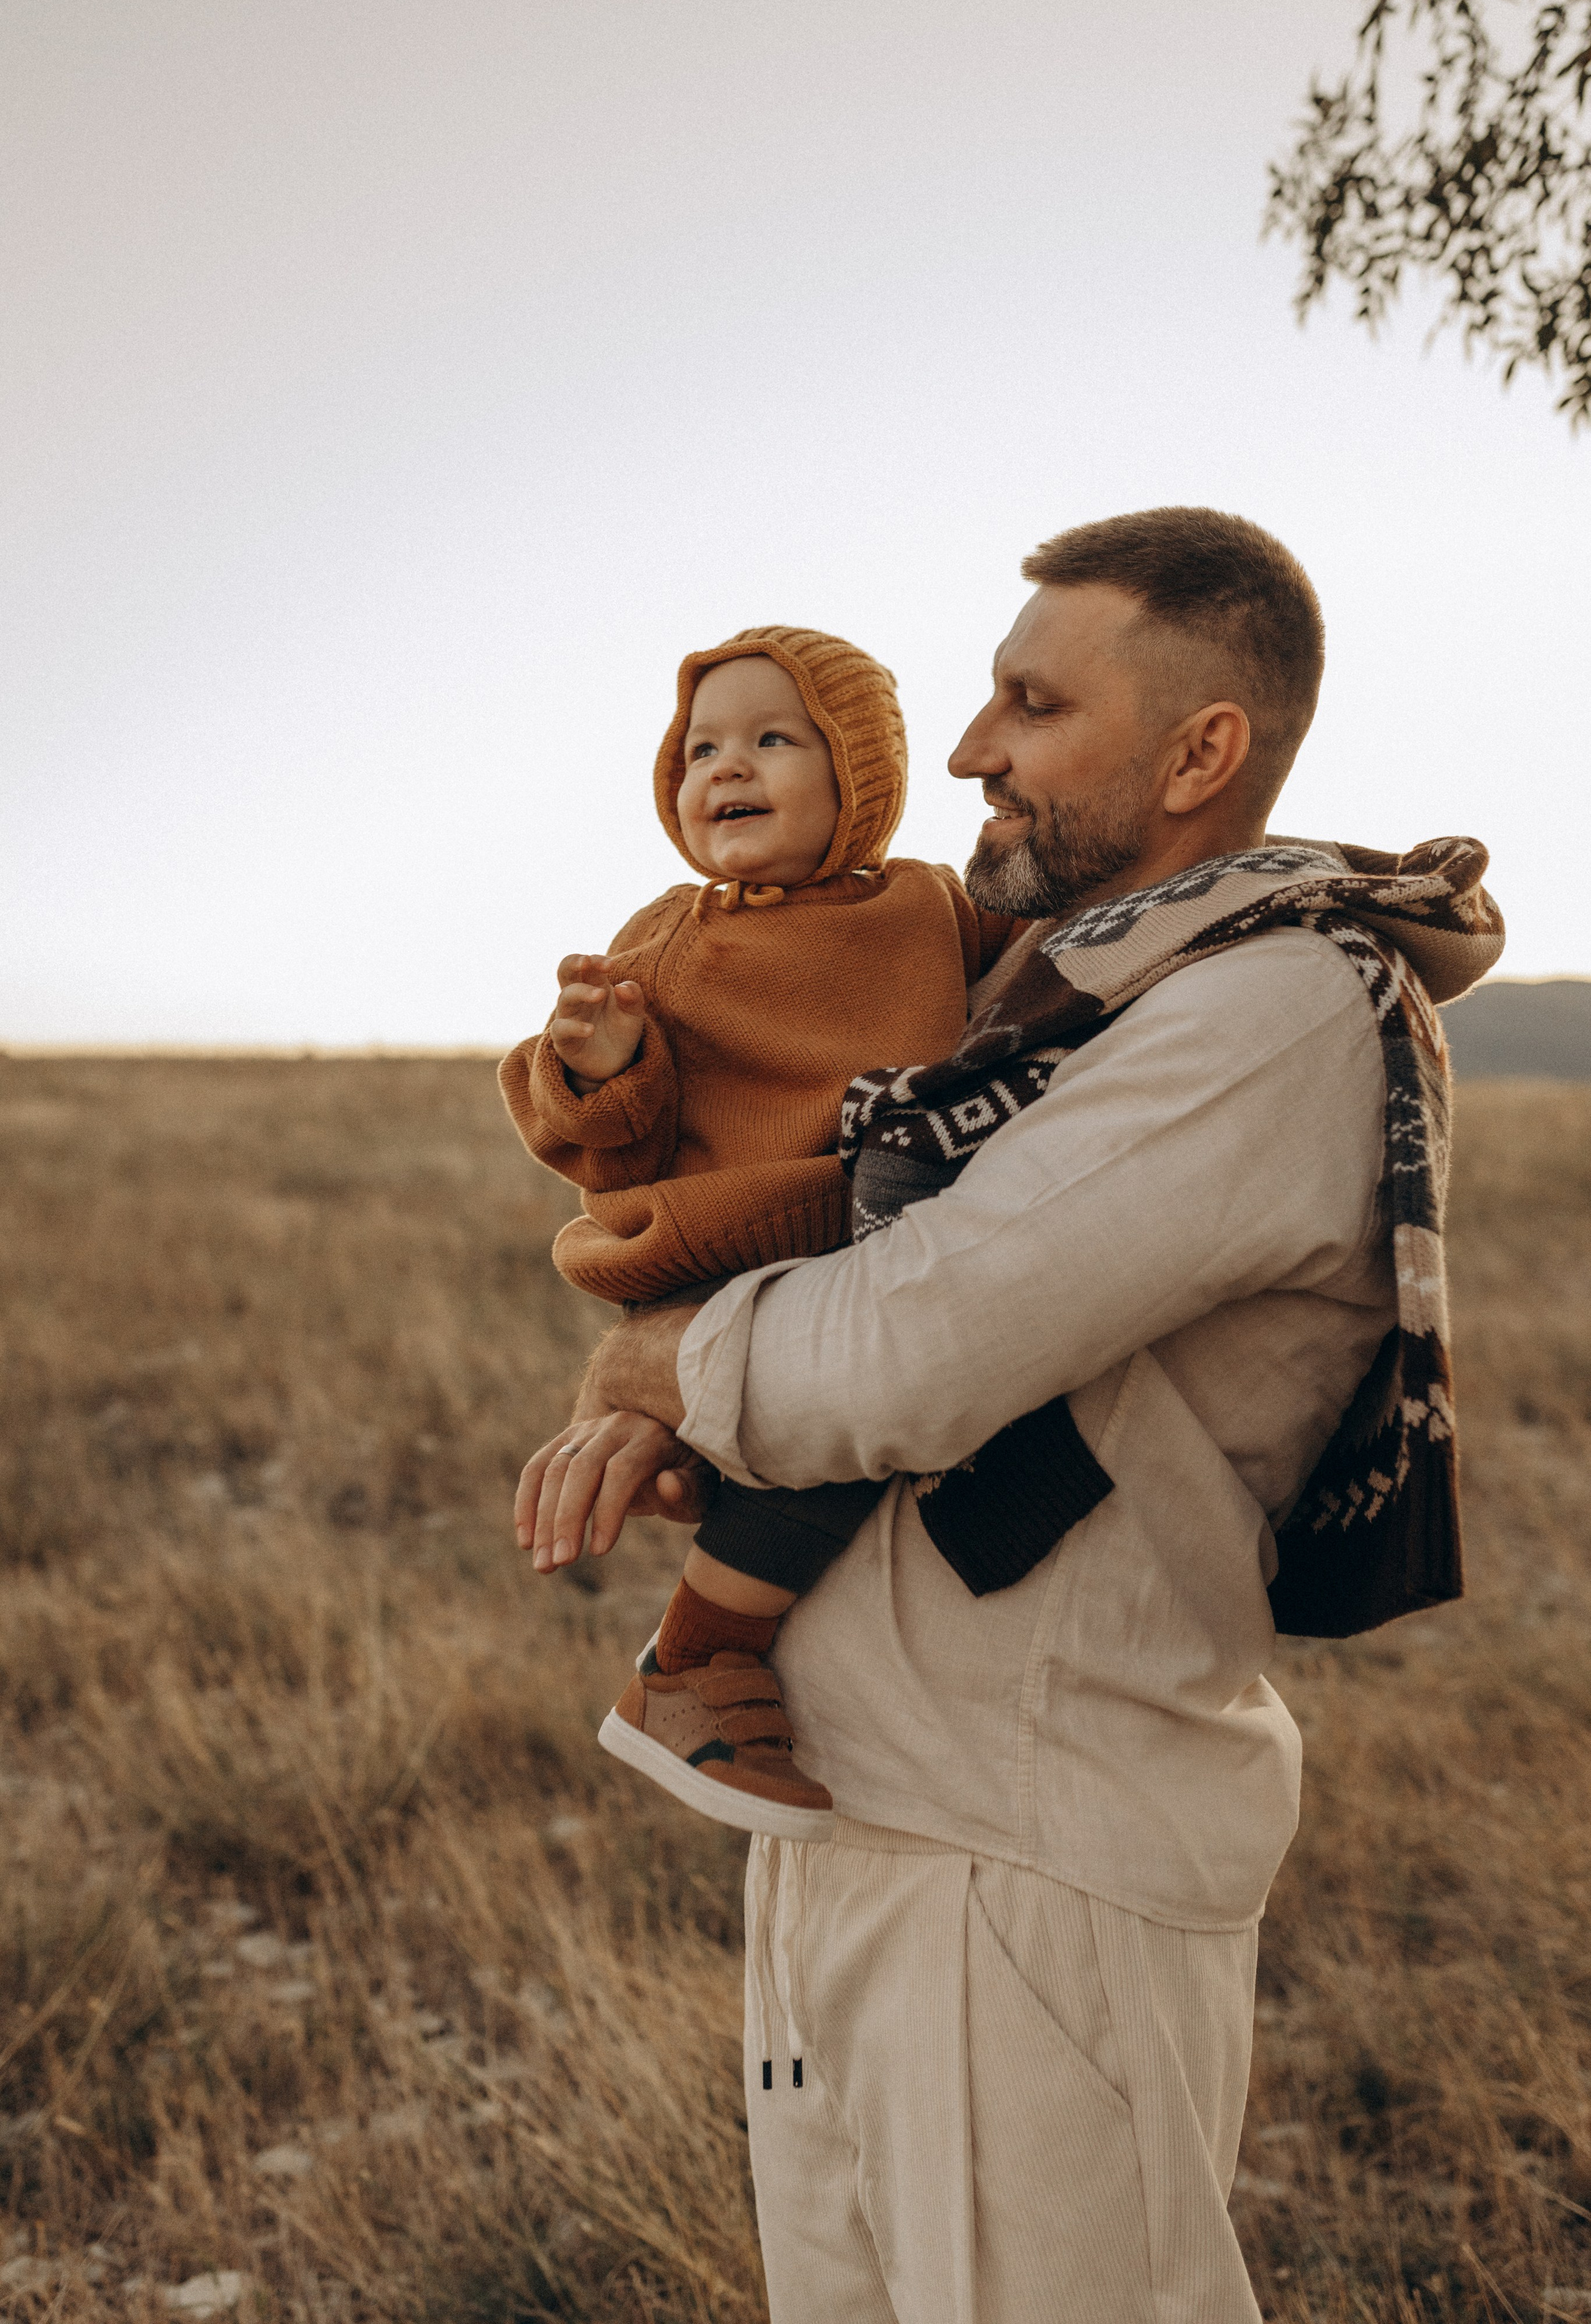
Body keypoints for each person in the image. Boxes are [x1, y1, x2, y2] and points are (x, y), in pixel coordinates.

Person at [515, 508, 1504, 2323]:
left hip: (1031, 1855)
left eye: (1031, 705)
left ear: (1202, 749)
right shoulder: (1060, 1003)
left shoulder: (1280, 1002)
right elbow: (840, 1254)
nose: (970, 749)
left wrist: (668, 1367)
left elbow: (915, 1344)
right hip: (855, 1812)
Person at [499, 623, 1019, 1839]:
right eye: (698, 749)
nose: (722, 768)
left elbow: (1078, 944)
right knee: (834, 1439)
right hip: (721, 1247)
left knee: (854, 1425)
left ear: (861, 775)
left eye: (771, 740)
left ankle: (715, 1522)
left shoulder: (930, 907)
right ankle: (691, 1663)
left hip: (860, 1237)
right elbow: (610, 1145)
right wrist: (601, 1063)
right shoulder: (670, 937)